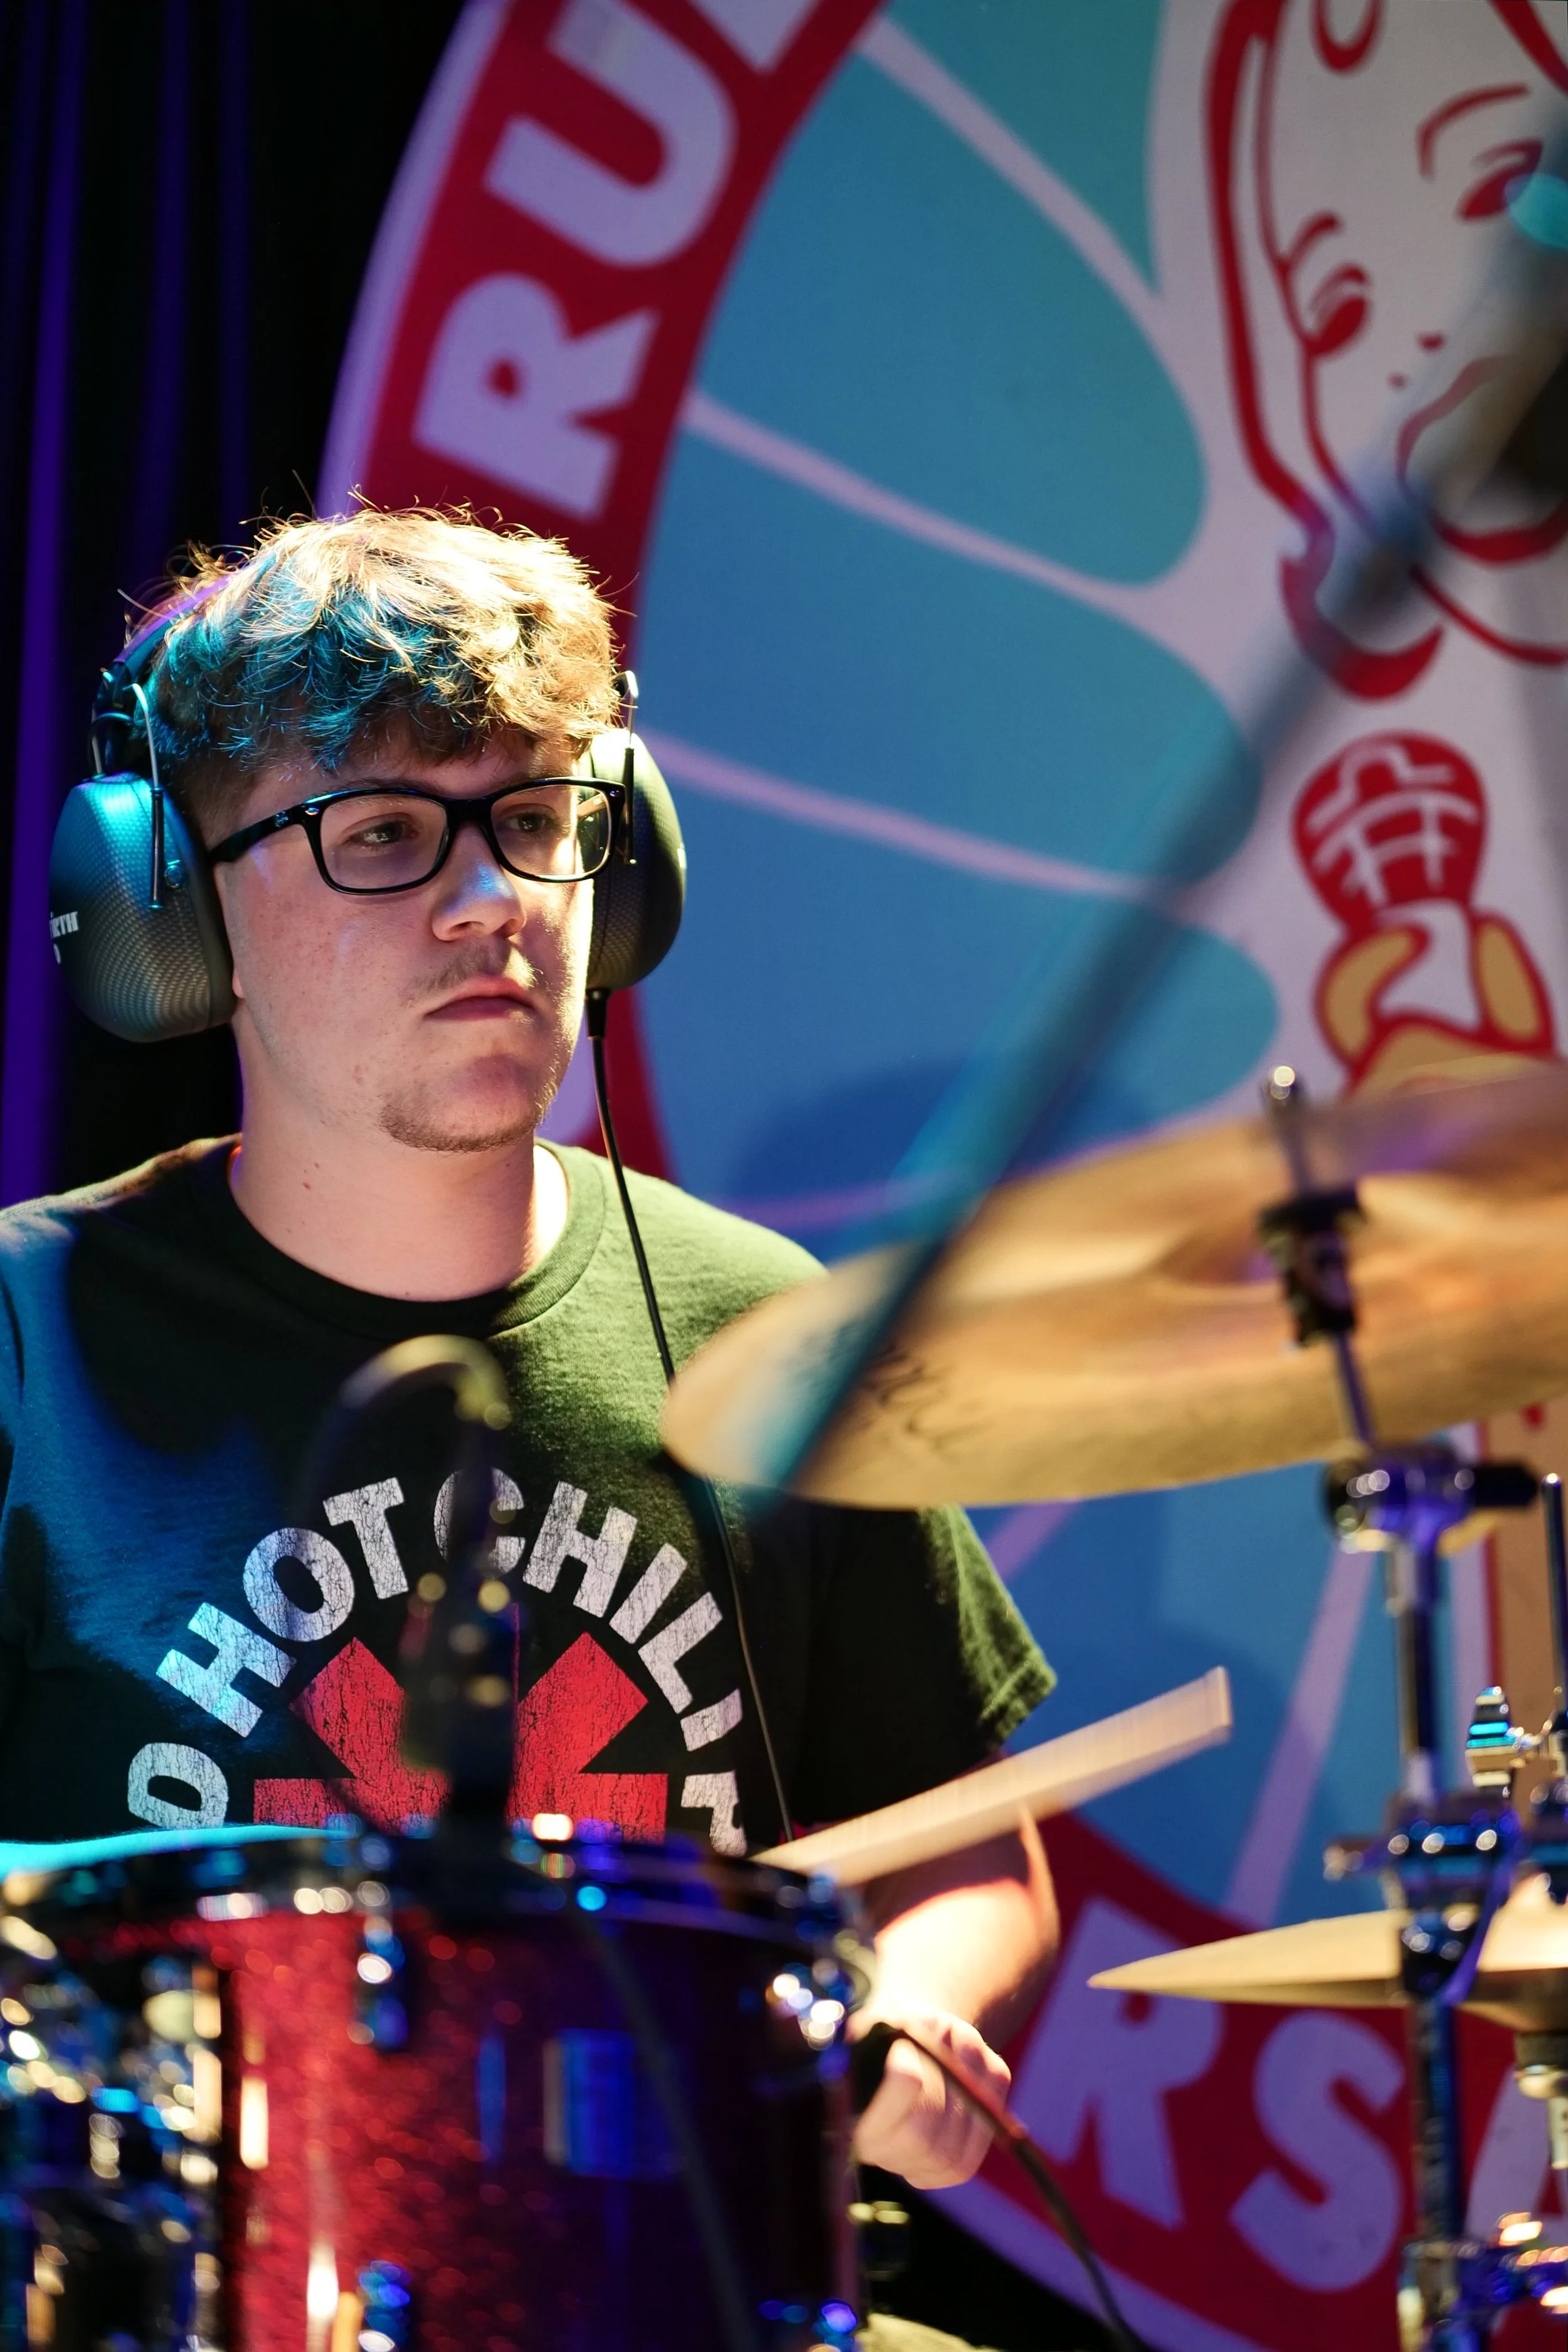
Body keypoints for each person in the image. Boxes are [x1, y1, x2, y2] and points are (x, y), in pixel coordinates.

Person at [0, 507, 1057, 2195]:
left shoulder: (763, 1330)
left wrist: (914, 2014)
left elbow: (968, 1846)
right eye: (385, 834)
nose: (491, 899)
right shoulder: (24, 1340)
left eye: (535, 819)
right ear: (169, 909)